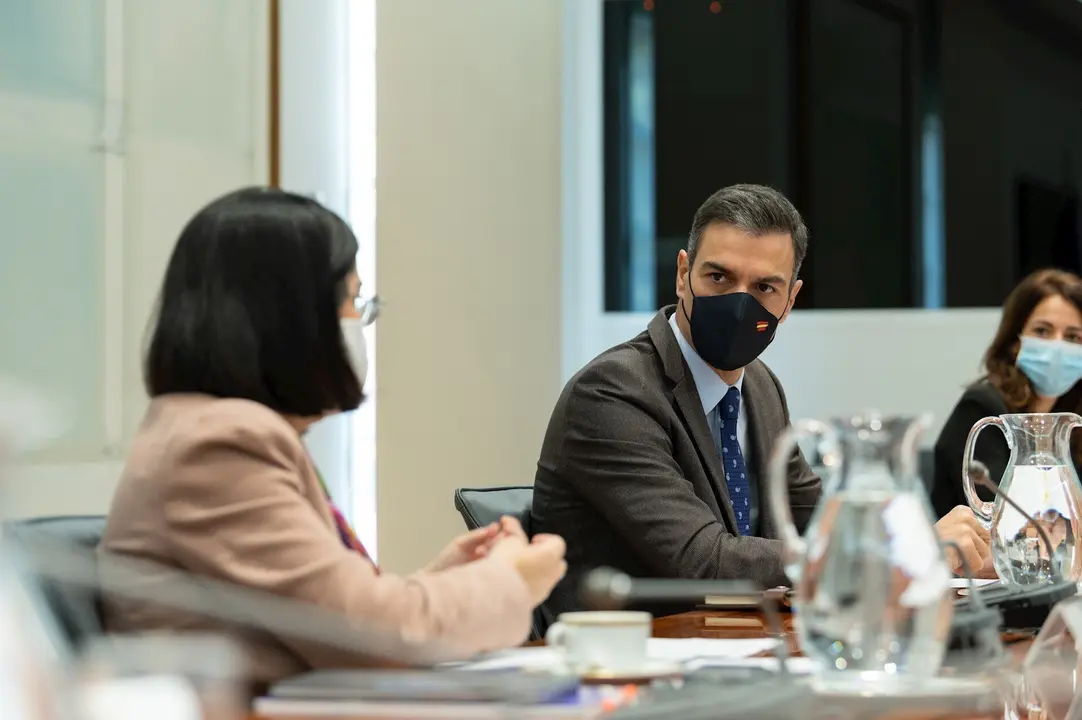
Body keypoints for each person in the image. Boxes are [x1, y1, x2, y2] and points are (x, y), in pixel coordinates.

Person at [100, 187, 566, 682]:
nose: (361, 323)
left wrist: (441, 581)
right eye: (352, 301)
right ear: (291, 317)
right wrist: (510, 582)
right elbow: (374, 636)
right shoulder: (220, 444)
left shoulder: (209, 427)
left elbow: (327, 618)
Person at [532, 184, 990, 619]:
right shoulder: (614, 393)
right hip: (620, 666)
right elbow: (702, 560)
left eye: (764, 288)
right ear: (681, 274)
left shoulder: (760, 387)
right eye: (718, 277)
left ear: (789, 301)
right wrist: (899, 549)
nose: (738, 303)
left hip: (736, 646)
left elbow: (816, 519)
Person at [932, 269, 1082, 520]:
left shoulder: (1071, 417)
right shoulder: (982, 407)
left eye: (1073, 336)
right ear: (1014, 342)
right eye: (1042, 331)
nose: (1057, 345)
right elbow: (1007, 520)